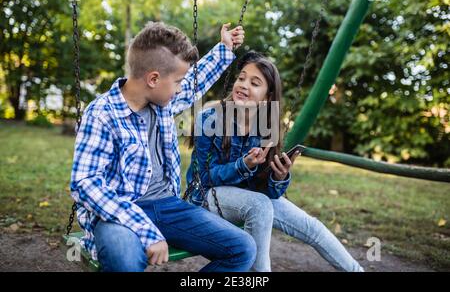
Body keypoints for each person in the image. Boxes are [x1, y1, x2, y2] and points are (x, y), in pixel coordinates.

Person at [70, 21, 257, 272]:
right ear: (153, 79)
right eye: (178, 81)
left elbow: (194, 84)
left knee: (243, 247)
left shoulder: (162, 101)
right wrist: (145, 229)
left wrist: (224, 48)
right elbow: (85, 182)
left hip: (167, 206)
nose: (181, 87)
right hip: (118, 212)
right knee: (125, 259)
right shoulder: (103, 114)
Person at [186, 51, 364, 272]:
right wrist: (243, 166)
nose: (243, 85)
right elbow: (200, 178)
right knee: (259, 205)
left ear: (268, 96)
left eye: (255, 82)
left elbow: (266, 191)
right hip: (205, 198)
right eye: (241, 78)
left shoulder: (266, 127)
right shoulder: (209, 119)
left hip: (250, 201)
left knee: (312, 227)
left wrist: (278, 177)